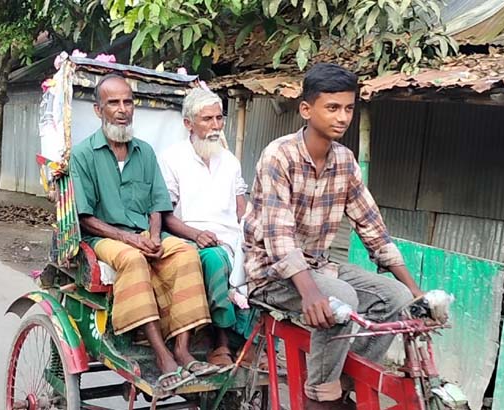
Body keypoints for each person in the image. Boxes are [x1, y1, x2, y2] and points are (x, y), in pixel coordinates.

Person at [244, 63, 423, 410]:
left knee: (396, 298)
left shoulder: (345, 161)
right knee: (341, 298)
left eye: (348, 108)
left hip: (319, 266)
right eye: (332, 107)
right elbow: (279, 238)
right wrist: (311, 294)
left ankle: (348, 378)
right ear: (307, 109)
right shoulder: (278, 156)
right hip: (271, 273)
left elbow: (372, 227)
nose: (342, 117)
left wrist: (415, 291)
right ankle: (319, 392)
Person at [69, 74, 218, 392]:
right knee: (134, 259)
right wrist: (130, 239)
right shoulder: (83, 154)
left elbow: (157, 204)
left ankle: (182, 348)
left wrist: (152, 235)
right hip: (105, 238)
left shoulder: (145, 152)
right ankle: (162, 354)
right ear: (98, 110)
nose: (123, 109)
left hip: (142, 232)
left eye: (128, 101)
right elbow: (84, 218)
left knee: (186, 252)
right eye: (114, 103)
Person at [159, 87, 257, 370]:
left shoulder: (229, 161)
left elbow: (242, 207)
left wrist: (255, 232)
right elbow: (165, 214)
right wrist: (195, 234)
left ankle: (251, 338)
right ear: (188, 124)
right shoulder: (171, 158)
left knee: (264, 258)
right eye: (207, 119)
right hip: (185, 235)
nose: (215, 126)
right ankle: (222, 341)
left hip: (228, 235)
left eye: (219, 118)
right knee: (214, 259)